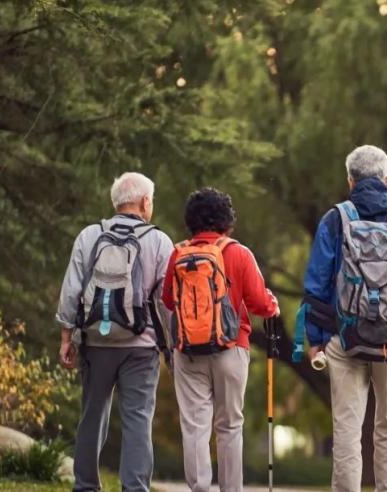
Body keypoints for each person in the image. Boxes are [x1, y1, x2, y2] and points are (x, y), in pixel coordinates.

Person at [296, 145, 387, 491]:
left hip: (342, 337)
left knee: (346, 426)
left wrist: (315, 340)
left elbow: (316, 284)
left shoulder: (335, 218)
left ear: (350, 181)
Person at [56, 172, 174, 492]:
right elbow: (167, 303)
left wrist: (67, 336)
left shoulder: (90, 235)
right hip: (141, 346)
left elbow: (72, 290)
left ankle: (85, 486)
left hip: (95, 341)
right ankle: (134, 488)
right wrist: (172, 346)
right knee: (137, 419)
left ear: (116, 202)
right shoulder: (159, 241)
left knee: (92, 415)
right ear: (145, 202)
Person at [161, 187, 279, 492]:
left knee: (195, 426)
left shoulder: (178, 253)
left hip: (188, 351)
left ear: (191, 220)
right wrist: (273, 304)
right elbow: (259, 304)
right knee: (229, 425)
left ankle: (199, 488)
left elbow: (168, 301)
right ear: (227, 219)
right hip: (231, 348)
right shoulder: (238, 253)